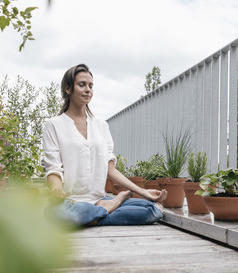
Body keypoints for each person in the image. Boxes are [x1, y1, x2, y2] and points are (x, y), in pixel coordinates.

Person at [42, 63, 167, 226]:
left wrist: (143, 192)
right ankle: (111, 206)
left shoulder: (101, 126)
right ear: (68, 89)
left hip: (99, 199)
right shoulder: (54, 125)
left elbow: (110, 169)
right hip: (72, 202)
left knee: (152, 209)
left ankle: (94, 215)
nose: (88, 89)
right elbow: (53, 169)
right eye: (82, 85)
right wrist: (56, 189)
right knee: (55, 214)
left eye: (91, 86)